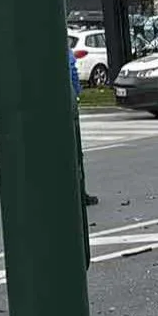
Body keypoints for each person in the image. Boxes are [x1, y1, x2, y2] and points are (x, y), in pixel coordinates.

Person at [69, 47, 97, 206]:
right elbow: (72, 72)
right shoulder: (63, 48)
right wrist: (76, 93)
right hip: (69, 106)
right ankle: (80, 193)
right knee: (75, 154)